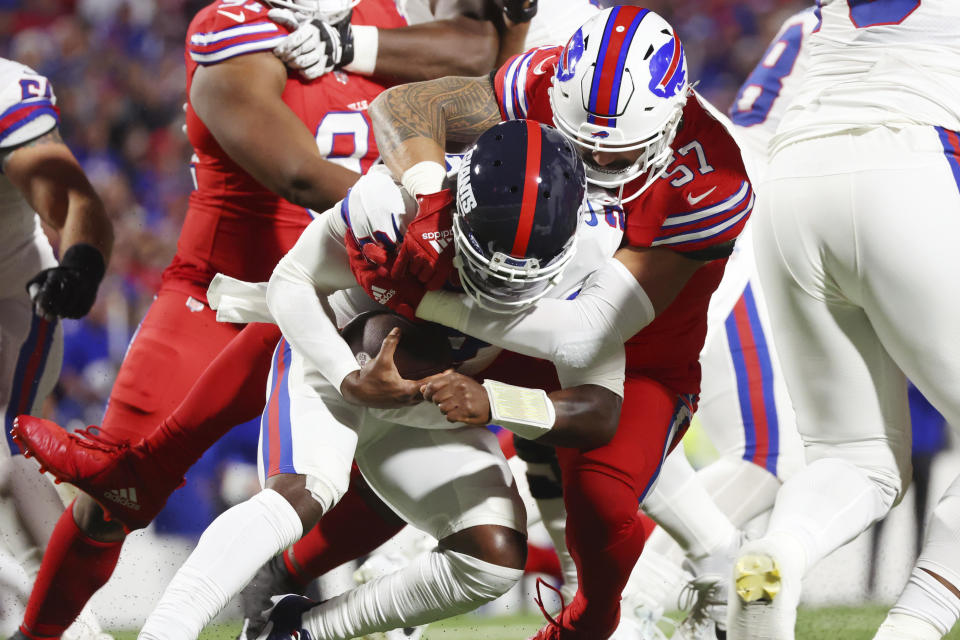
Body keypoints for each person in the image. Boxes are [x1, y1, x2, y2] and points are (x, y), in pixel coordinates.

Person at [5, 0, 534, 635]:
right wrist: (422, 224)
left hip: (360, 298)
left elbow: (479, 54)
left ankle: (293, 588)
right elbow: (299, 174)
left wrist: (350, 45)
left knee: (402, 460)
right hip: (227, 295)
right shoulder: (232, 24)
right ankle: (44, 633)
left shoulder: (381, 18)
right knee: (112, 500)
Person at [134, 119, 628, 640]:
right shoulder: (397, 204)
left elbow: (601, 409)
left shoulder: (596, 254)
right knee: (300, 495)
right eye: (485, 265)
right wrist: (349, 378)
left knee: (493, 555)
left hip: (429, 404)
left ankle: (297, 631)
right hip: (338, 361)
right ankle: (166, 630)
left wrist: (494, 402)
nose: (501, 285)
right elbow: (292, 279)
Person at [362, 6, 753, 638]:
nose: (595, 168)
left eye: (617, 152)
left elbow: (586, 332)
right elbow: (405, 107)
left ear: (672, 115)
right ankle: (339, 578)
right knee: (388, 354)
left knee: (601, 500)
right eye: (579, 145)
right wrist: (430, 194)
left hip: (637, 350)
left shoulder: (710, 176)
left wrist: (427, 301)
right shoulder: (541, 78)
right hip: (520, 305)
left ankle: (596, 616)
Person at [724, 1, 960, 639]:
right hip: (914, 154)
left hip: (792, 175)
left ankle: (781, 552)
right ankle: (911, 629)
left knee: (855, 456)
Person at [0, 57, 114, 640]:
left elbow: (68, 197)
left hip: (11, 297)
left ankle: (68, 623)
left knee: (11, 451)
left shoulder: (4, 91)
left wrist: (80, 263)